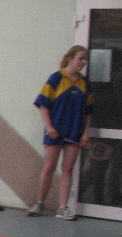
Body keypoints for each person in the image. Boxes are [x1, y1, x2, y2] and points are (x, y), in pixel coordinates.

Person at [27, 45, 93, 220]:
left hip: (74, 132)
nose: (83, 62)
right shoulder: (56, 78)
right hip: (55, 131)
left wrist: (85, 133)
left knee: (67, 169)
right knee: (49, 167)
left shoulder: (85, 83)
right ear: (70, 58)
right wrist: (49, 127)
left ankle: (63, 208)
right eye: (80, 58)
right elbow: (43, 104)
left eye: (85, 59)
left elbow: (88, 111)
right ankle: (40, 203)